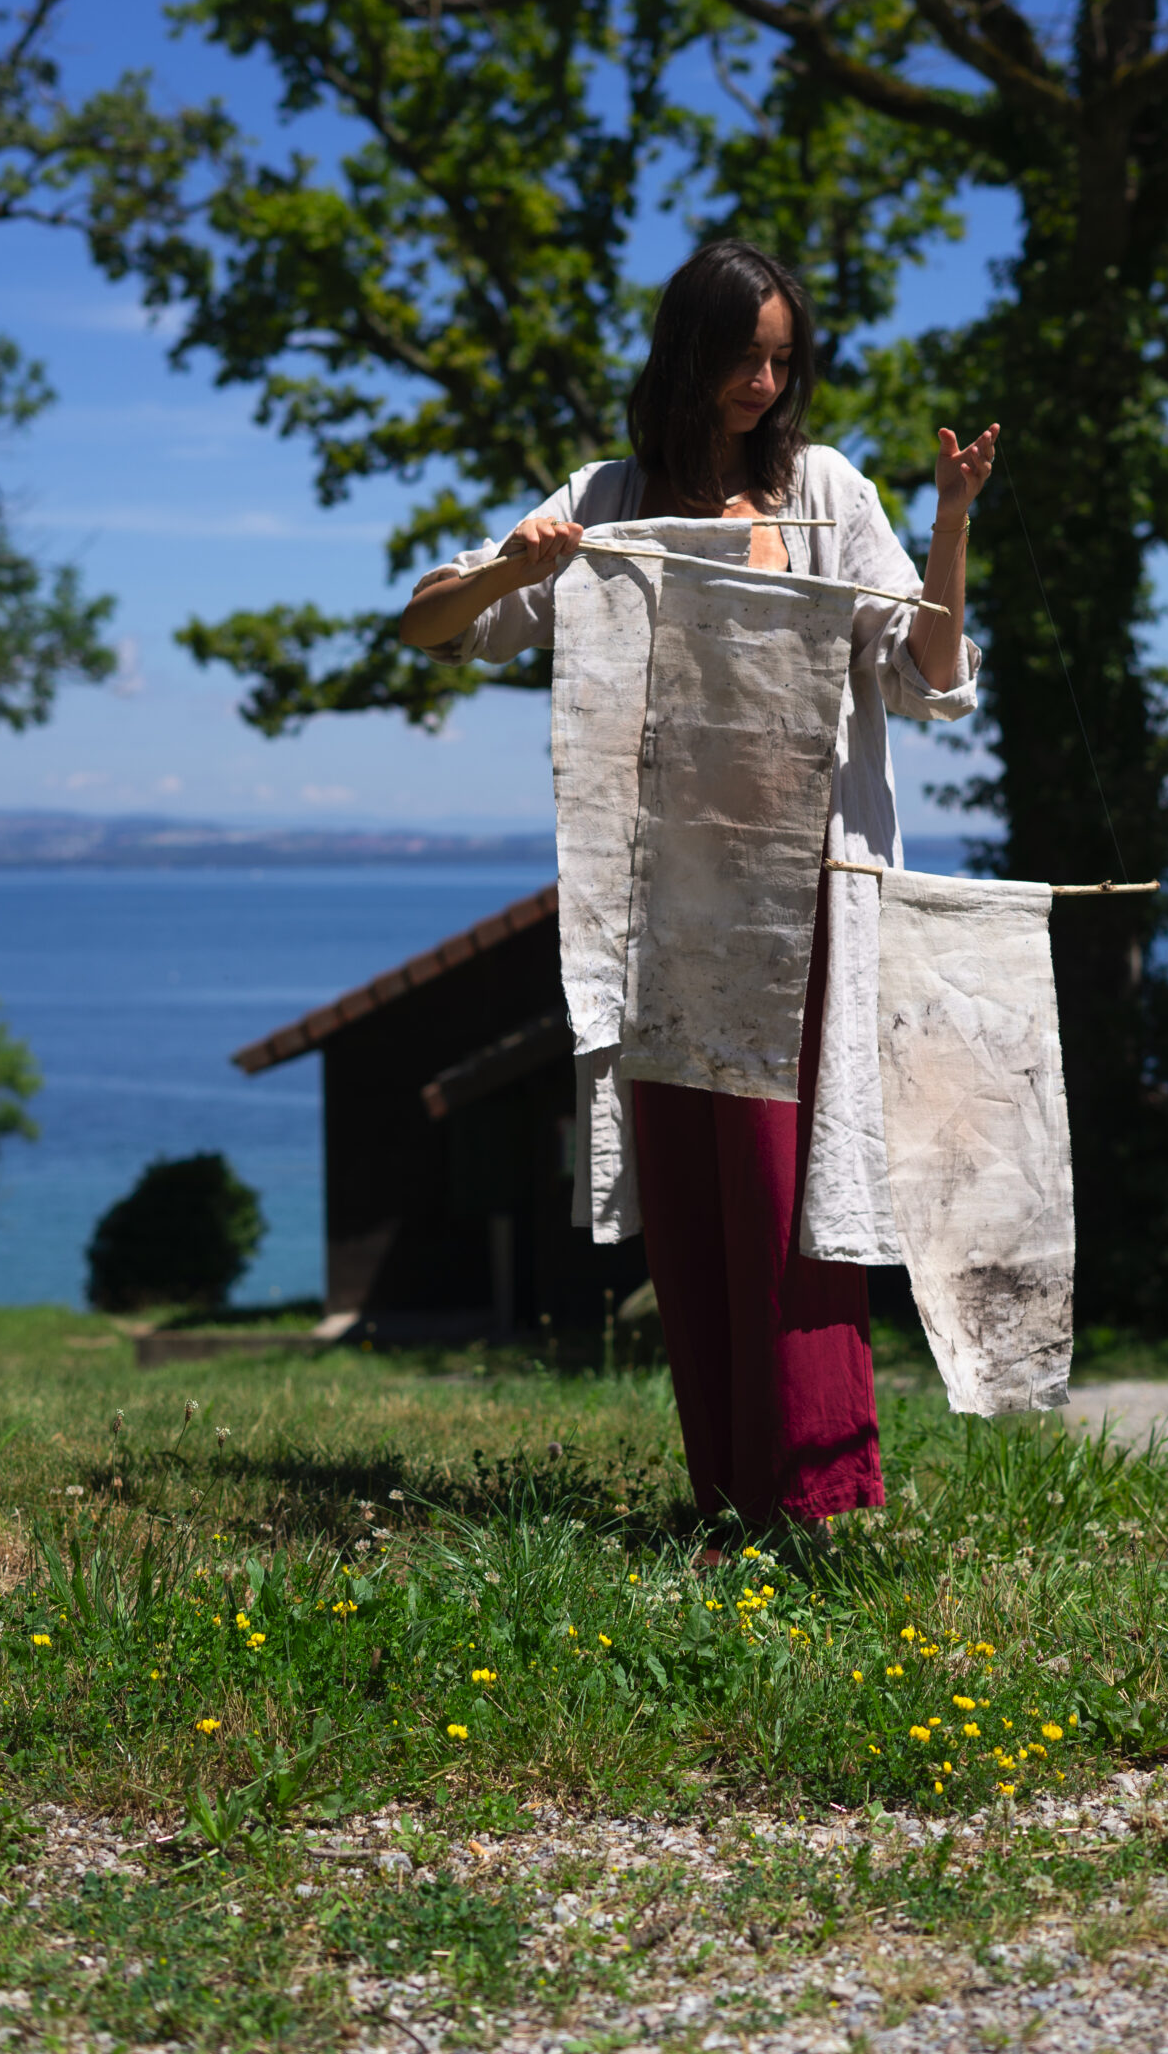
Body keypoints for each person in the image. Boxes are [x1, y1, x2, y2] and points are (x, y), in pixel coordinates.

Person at [400, 238, 995, 1535]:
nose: (764, 383)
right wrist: (521, 562)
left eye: (783, 359)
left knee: (793, 1202)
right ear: (689, 355)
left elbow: (934, 674)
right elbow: (427, 625)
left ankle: (820, 1508)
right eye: (743, 355)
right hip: (669, 909)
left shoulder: (826, 493)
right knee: (695, 1211)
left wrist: (951, 521)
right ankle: (727, 1499)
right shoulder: (612, 497)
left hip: (809, 891)